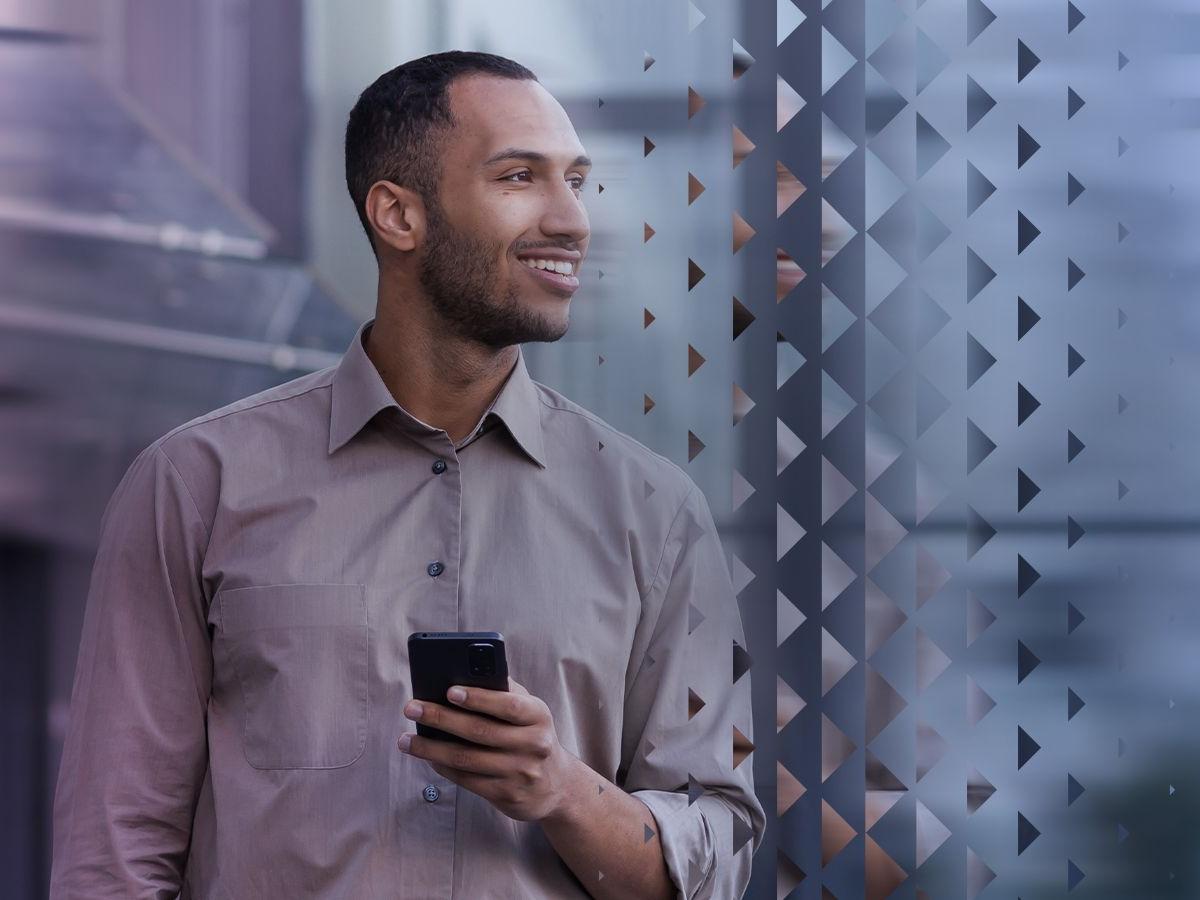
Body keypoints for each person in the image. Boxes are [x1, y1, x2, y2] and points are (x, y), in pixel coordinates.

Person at [48, 50, 765, 899]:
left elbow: (716, 857)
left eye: (575, 179)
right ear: (397, 213)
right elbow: (115, 851)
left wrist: (560, 788)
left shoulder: (656, 513)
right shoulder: (194, 484)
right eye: (519, 177)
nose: (572, 219)